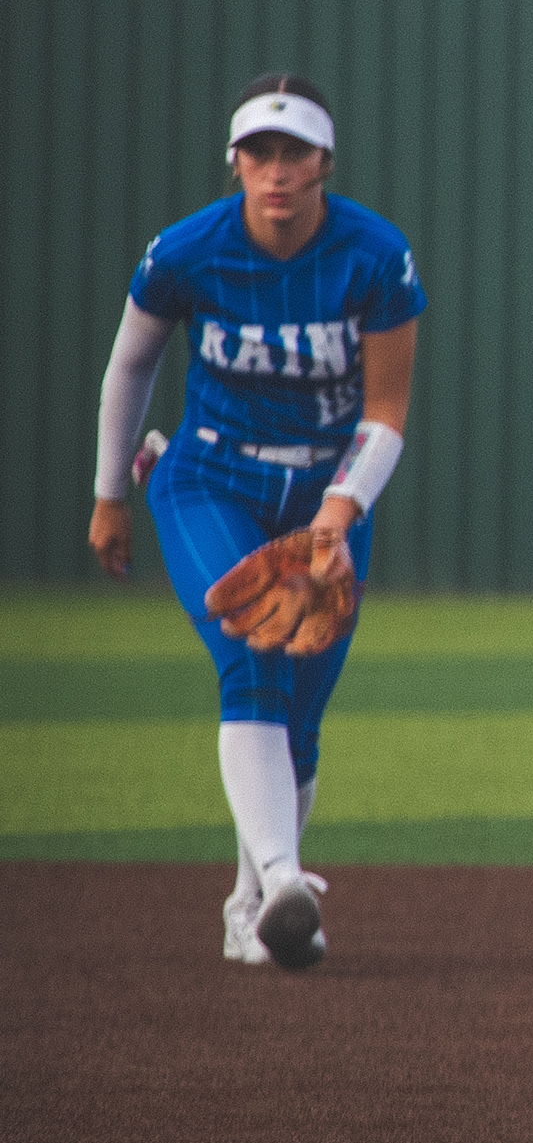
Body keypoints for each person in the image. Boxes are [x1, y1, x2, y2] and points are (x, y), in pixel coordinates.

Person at [88, 75, 424, 971]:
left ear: (324, 164)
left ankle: (250, 907)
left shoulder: (374, 256)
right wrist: (111, 493)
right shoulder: (188, 251)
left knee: (300, 720)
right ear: (234, 161)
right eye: (259, 153)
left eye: (294, 154)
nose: (276, 171)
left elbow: (386, 410)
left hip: (325, 493)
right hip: (210, 479)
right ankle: (281, 880)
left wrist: (339, 512)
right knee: (253, 656)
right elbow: (131, 367)